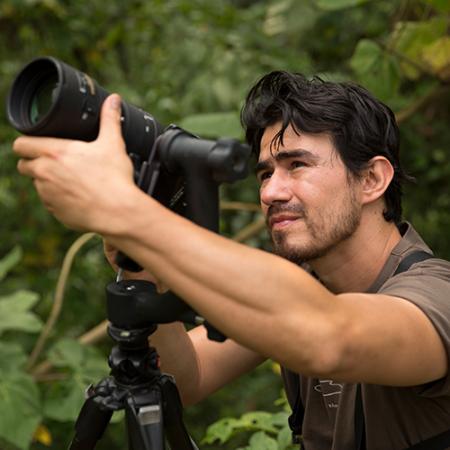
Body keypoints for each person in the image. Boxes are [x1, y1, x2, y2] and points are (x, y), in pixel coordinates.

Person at [13, 71, 450, 450]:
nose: (270, 192)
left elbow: (330, 336)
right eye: (264, 173)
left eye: (297, 165)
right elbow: (188, 378)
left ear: (372, 179)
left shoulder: (437, 293)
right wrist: (141, 262)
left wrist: (128, 213)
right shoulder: (308, 286)